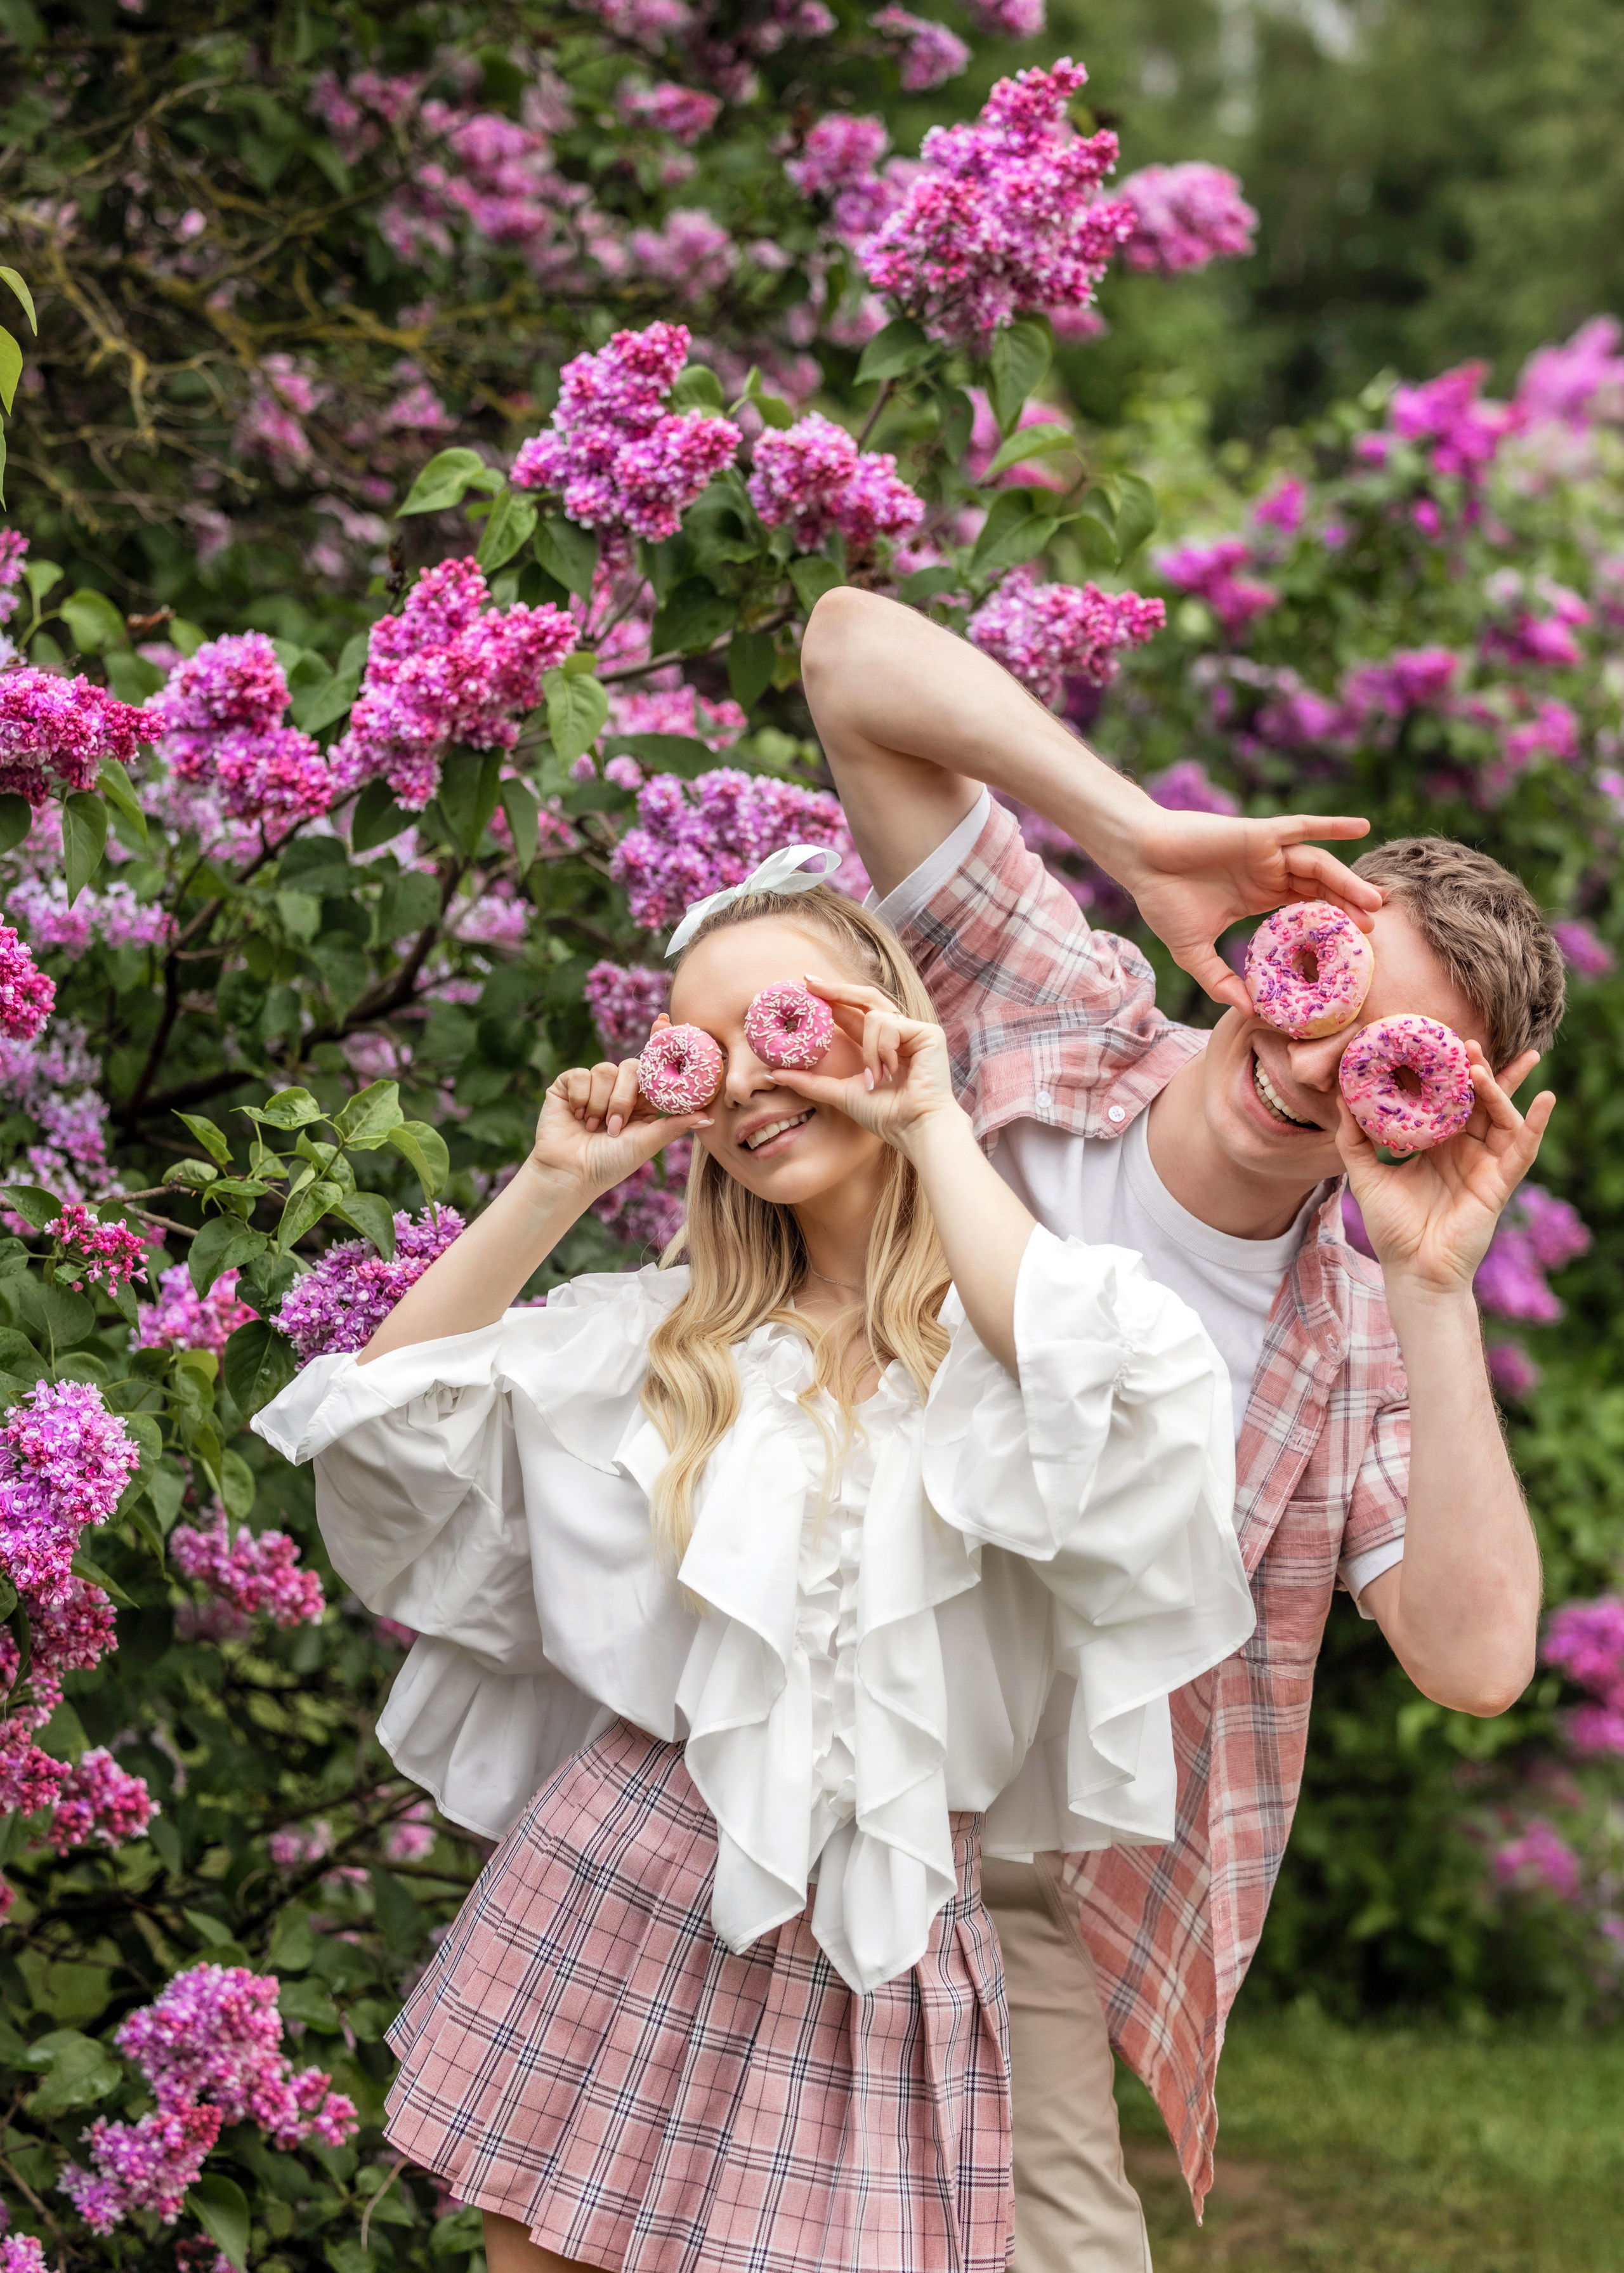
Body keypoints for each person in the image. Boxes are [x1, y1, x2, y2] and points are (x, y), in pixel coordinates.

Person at [254, 869, 1261, 2273]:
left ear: (888, 1022)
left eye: (784, 1025)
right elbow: (384, 1433)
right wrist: (554, 1184)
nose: (739, 1082)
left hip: (893, 1937)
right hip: (628, 1880)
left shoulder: (1042, 1333)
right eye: (702, 1049)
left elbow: (1125, 1404)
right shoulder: (667, 1341)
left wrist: (929, 1119)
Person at [801, 586, 1559, 2270]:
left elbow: (1474, 1658)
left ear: (1437, 1113)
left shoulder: (1349, 1345)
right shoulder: (1046, 1005)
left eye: (1390, 1063)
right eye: (1319, 980)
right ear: (1275, 939)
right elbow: (848, 652)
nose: (1312, 1058)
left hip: (1003, 1870)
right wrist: (1137, 836)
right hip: (748, 1749)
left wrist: (1434, 1284)